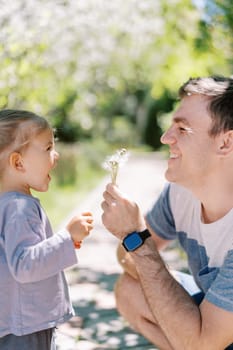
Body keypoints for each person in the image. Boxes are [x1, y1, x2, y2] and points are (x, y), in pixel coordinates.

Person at [102, 76, 233, 350]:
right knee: (130, 291)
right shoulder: (180, 193)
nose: (165, 138)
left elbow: (205, 342)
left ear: (225, 143)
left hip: (216, 335)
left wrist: (133, 234)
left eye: (183, 129)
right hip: (219, 326)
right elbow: (125, 256)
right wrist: (160, 280)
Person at [0, 110, 93, 349]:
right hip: (26, 328)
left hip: (16, 323)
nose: (57, 155)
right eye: (48, 148)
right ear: (18, 162)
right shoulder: (20, 207)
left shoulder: (8, 205)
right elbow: (25, 265)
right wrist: (67, 237)